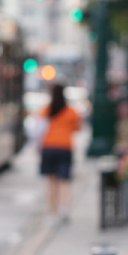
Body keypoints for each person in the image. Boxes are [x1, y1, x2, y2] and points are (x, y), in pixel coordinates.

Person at [38, 82, 81, 223]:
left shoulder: (46, 110)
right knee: (64, 180)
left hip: (48, 147)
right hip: (65, 148)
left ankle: (52, 214)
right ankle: (64, 208)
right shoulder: (71, 111)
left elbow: (38, 129)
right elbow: (77, 128)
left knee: (50, 182)